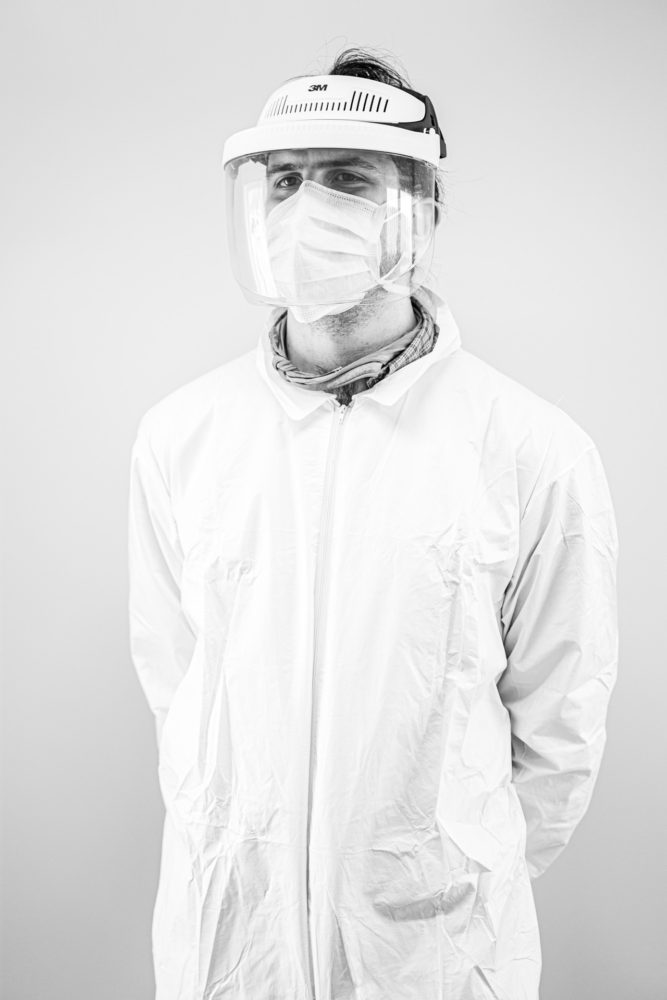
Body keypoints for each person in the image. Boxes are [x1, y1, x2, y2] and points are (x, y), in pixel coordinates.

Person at [128, 47, 619, 1000]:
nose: (305, 210)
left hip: (433, 954)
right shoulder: (183, 437)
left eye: (347, 179)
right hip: (233, 939)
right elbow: (178, 691)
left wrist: (439, 878)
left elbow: (560, 729)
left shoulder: (530, 450)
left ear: (420, 212)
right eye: (284, 181)